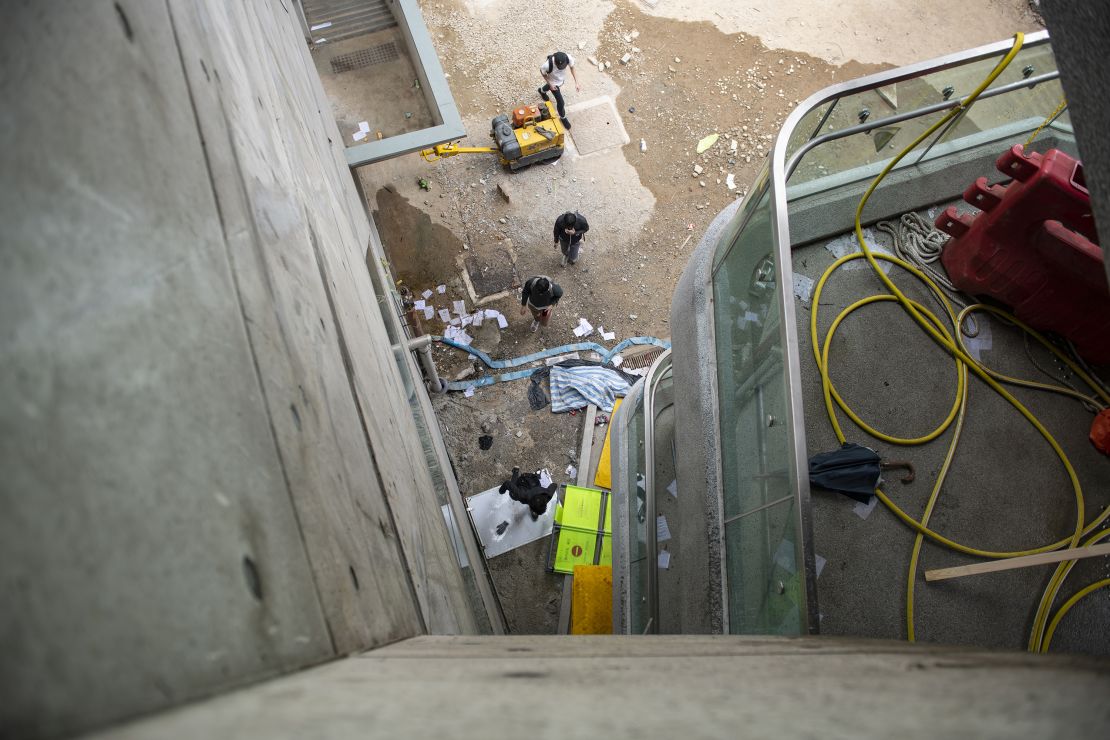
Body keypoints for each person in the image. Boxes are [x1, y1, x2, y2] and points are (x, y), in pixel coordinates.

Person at [538, 51, 580, 130]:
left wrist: (576, 82)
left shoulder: (568, 58)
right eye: (560, 67)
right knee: (561, 102)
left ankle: (541, 91)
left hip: (559, 80)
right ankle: (563, 117)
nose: (563, 68)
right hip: (553, 81)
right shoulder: (547, 65)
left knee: (552, 86)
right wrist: (550, 83)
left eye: (564, 66)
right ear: (555, 63)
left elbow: (572, 68)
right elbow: (542, 72)